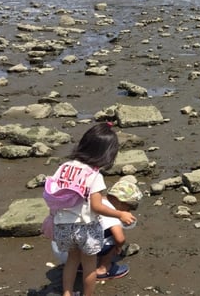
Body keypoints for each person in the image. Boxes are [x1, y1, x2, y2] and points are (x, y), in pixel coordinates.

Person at [49, 123, 136, 296]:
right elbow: (96, 206)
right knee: (89, 267)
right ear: (106, 154)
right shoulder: (94, 175)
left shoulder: (64, 167)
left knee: (72, 261)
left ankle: (67, 293)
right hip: (85, 228)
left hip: (63, 225)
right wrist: (120, 214)